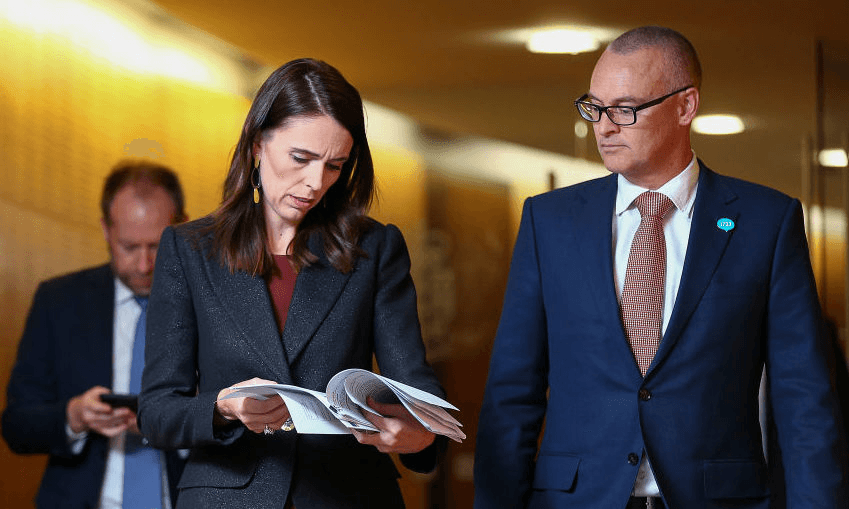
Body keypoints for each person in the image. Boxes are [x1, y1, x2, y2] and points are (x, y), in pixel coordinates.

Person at [474, 26, 848, 509]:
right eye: (594, 108)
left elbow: (804, 400)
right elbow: (512, 393)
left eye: (624, 109)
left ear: (685, 106)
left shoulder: (767, 222)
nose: (604, 127)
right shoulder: (549, 221)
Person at [137, 58, 445, 509]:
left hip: (348, 495)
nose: (315, 183)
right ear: (258, 144)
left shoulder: (375, 248)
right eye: (300, 159)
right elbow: (157, 412)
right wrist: (222, 408)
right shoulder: (189, 249)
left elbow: (417, 391)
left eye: (335, 166)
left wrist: (419, 436)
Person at [2, 161, 188, 509]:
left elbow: (239, 427)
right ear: (105, 230)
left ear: (182, 228)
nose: (145, 265)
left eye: (156, 245)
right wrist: (72, 416)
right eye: (129, 247)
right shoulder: (59, 302)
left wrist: (171, 425)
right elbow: (16, 425)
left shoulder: (209, 308)